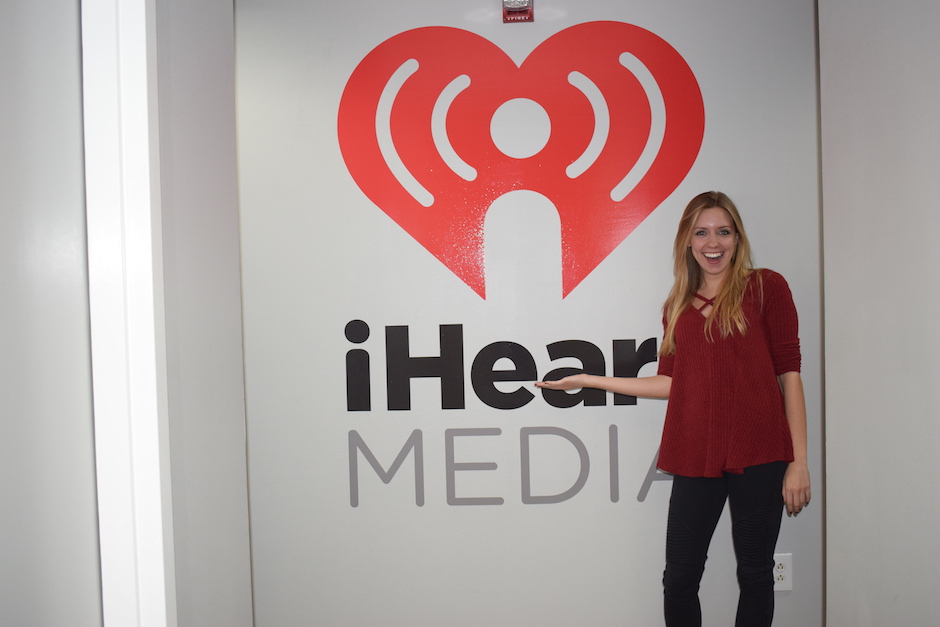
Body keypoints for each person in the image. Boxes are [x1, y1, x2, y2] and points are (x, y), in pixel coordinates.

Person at [536, 191, 810, 627]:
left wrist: (798, 462)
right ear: (687, 240)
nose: (712, 242)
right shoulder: (677, 307)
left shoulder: (765, 287)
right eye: (701, 232)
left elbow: (789, 375)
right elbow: (670, 383)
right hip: (695, 456)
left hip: (760, 455)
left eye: (723, 231)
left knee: (756, 575)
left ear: (737, 239)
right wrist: (588, 380)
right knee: (679, 578)